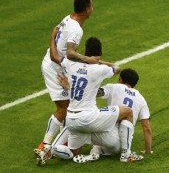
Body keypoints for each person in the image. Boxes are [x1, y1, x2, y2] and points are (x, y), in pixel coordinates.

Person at [37, 37, 141, 165]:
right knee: (127, 112)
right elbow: (116, 68)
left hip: (71, 120)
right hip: (89, 118)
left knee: (73, 153)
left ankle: (50, 148)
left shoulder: (71, 64)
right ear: (100, 54)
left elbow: (54, 56)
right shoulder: (99, 69)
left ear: (85, 52)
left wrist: (53, 36)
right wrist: (97, 61)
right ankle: (126, 154)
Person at [35, 0, 99, 160]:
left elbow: (57, 33)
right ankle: (46, 145)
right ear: (86, 9)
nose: (92, 8)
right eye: (91, 6)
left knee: (70, 104)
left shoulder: (68, 18)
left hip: (57, 65)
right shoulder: (76, 29)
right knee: (64, 108)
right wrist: (88, 60)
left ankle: (62, 143)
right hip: (55, 68)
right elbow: (70, 52)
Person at [52, 68, 152, 163]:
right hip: (120, 145)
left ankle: (51, 147)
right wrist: (148, 151)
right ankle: (96, 153)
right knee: (98, 140)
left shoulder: (114, 87)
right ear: (134, 84)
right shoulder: (141, 99)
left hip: (107, 134)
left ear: (120, 79)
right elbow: (146, 128)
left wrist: (71, 88)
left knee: (76, 121)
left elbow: (94, 93)